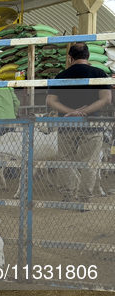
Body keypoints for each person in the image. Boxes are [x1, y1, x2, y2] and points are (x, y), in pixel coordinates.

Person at [46, 43, 112, 206]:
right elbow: (106, 99)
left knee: (66, 161)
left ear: (70, 58)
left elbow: (50, 101)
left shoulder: (61, 76)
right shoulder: (99, 73)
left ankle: (67, 197)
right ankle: (84, 199)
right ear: (88, 56)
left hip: (67, 125)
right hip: (92, 125)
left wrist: (71, 112)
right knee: (89, 163)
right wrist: (85, 112)